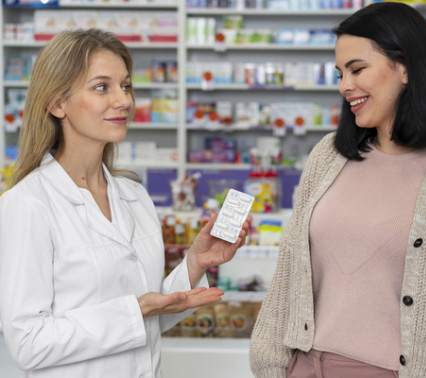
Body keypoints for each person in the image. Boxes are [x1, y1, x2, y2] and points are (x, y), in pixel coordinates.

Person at [249, 3, 426, 377]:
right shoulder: (327, 156)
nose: (343, 86)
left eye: (357, 69)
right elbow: (288, 275)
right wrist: (269, 364)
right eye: (340, 73)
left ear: (405, 68)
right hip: (302, 366)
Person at [0, 28, 250, 377]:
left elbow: (148, 321)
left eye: (126, 86)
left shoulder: (134, 195)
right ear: (57, 103)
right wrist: (135, 310)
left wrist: (195, 263)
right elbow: (29, 342)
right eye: (102, 87)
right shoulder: (28, 204)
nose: (124, 100)